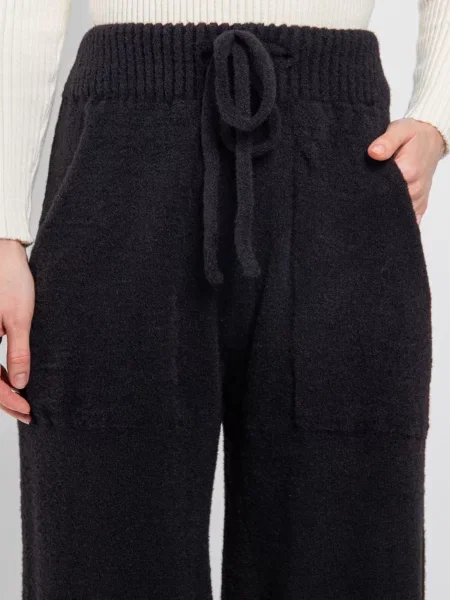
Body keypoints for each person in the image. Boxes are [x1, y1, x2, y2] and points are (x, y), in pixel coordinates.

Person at [0, 1, 448, 598]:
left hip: (340, 154)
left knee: (345, 550)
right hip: (120, 153)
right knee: (101, 551)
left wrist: (437, 112)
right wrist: (2, 227)